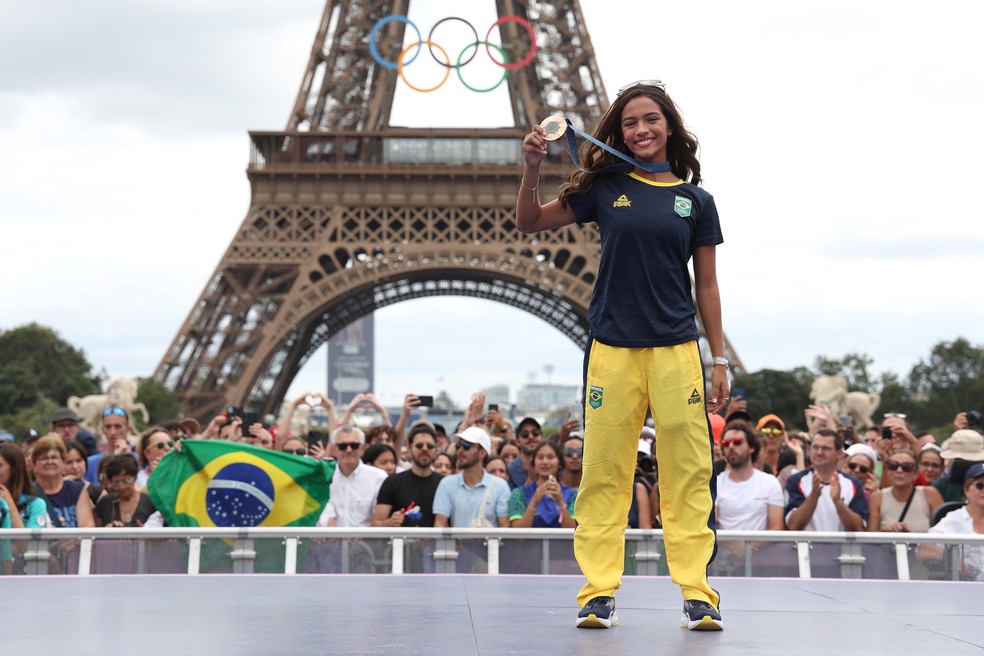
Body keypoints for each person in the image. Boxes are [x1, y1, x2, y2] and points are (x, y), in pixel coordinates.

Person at [517, 79, 728, 630]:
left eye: (650, 120)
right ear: (618, 131)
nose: (640, 130)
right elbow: (531, 221)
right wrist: (533, 169)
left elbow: (706, 287)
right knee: (605, 472)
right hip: (612, 348)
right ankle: (598, 591)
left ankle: (697, 590)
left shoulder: (696, 201)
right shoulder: (607, 186)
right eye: (629, 122)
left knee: (688, 472)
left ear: (670, 128)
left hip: (677, 348)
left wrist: (720, 359)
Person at [786, 430, 867, 532]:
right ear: (809, 451)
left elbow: (858, 528)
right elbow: (794, 526)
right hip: (807, 547)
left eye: (826, 448)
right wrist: (814, 496)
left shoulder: (853, 484)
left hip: (842, 548)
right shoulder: (796, 481)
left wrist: (838, 502)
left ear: (839, 454)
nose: (819, 452)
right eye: (815, 447)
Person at [433, 427, 510, 529]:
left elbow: (505, 527)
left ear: (482, 453)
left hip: (491, 545)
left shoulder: (500, 485)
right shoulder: (446, 484)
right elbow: (440, 524)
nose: (460, 450)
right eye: (458, 446)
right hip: (458, 545)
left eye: (466, 446)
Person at [715, 422, 785, 531]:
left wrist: (748, 547)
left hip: (760, 548)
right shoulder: (716, 484)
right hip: (724, 548)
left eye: (737, 442)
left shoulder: (770, 483)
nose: (731, 446)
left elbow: (776, 528)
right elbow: (711, 527)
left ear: (751, 447)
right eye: (726, 443)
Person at [921, 462, 984, 580]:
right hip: (964, 587)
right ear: (966, 489)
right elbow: (924, 548)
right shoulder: (955, 519)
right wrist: (958, 562)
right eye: (980, 485)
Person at [316, 425, 387, 528]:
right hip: (328, 541)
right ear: (334, 450)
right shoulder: (323, 476)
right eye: (343, 446)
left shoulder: (378, 477)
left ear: (362, 449)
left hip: (366, 542)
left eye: (354, 445)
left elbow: (380, 517)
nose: (349, 450)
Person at [374, 425, 443, 528]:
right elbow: (376, 524)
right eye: (419, 446)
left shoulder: (444, 484)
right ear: (409, 448)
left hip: (435, 544)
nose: (425, 449)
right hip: (399, 543)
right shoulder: (392, 482)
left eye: (430, 446)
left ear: (436, 449)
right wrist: (390, 522)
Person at [867, 448, 943, 533]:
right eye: (893, 466)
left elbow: (944, 533)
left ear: (916, 473)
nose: (899, 470)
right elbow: (870, 538)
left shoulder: (930, 494)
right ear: (887, 470)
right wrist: (886, 531)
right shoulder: (877, 498)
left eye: (906, 467)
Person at [508, 441, 577, 528]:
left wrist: (560, 501)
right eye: (540, 457)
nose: (545, 462)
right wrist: (534, 501)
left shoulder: (573, 495)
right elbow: (518, 535)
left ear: (560, 463)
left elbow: (573, 531)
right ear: (534, 463)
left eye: (550, 457)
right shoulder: (519, 494)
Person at [31, 436, 95, 528]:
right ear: (34, 463)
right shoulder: (27, 492)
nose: (50, 462)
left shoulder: (78, 490)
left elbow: (87, 529)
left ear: (63, 461)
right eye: (44, 458)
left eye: (54, 457)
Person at [94, 455, 157, 527]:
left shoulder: (150, 503)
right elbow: (96, 531)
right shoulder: (106, 502)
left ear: (135, 477)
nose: (121, 487)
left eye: (126, 481)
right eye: (116, 482)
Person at [86, 407, 135, 486]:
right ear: (102, 430)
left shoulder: (138, 460)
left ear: (127, 429)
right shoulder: (91, 462)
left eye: (118, 427)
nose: (112, 432)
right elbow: (100, 482)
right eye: (108, 427)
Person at [507, 417, 544, 489]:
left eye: (535, 433)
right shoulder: (510, 470)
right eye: (525, 434)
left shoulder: (552, 466)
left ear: (542, 437)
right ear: (517, 441)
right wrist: (531, 479)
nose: (530, 437)